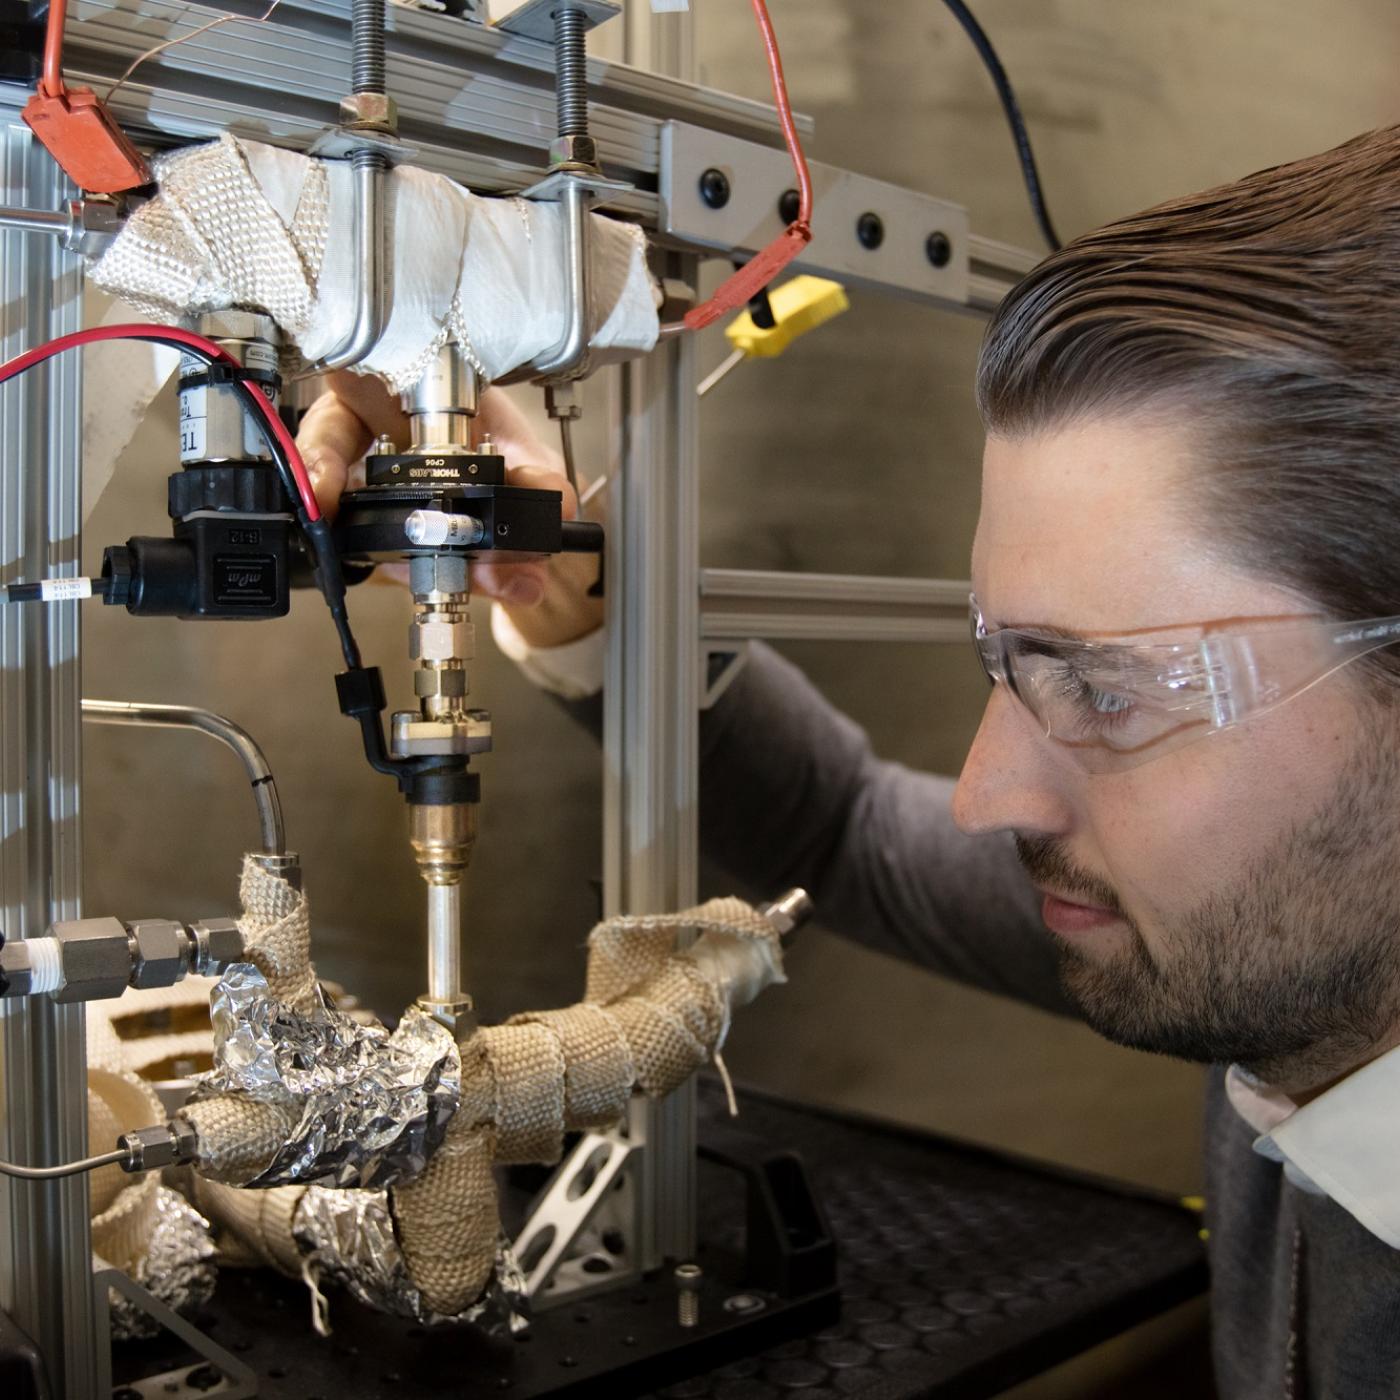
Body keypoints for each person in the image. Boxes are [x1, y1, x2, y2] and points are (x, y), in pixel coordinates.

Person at [298, 126, 1400, 1398]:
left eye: (1102, 687)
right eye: (1008, 664)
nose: (990, 794)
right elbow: (839, 826)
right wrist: (574, 586)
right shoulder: (1287, 967)